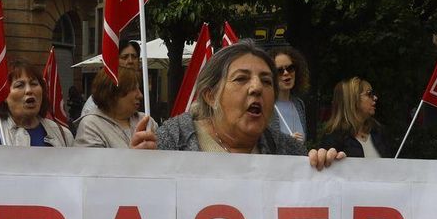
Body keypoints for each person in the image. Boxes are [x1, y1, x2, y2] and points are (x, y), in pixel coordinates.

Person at [132, 42, 343, 169]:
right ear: (210, 96)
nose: (256, 88)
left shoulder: (291, 152)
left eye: (266, 81)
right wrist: (136, 167)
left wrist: (327, 172)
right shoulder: (170, 141)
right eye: (241, 79)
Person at [0, 60, 75, 147]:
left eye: (34, 84)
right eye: (19, 85)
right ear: (3, 94)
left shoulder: (63, 134)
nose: (29, 90)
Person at [75, 67, 151, 149]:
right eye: (133, 89)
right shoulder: (90, 126)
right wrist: (133, 154)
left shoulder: (146, 120)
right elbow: (92, 161)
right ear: (114, 93)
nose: (140, 95)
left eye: (139, 89)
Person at [317, 77, 392, 158]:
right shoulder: (334, 139)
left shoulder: (378, 132)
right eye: (369, 94)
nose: (375, 98)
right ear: (353, 99)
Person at [80, 40, 140, 118]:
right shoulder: (100, 97)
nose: (130, 61)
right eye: (124, 57)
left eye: (134, 57)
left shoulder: (141, 92)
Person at [271, 45, 309, 141]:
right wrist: (288, 141)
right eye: (279, 70)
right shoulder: (267, 106)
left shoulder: (299, 104)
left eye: (290, 68)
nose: (286, 73)